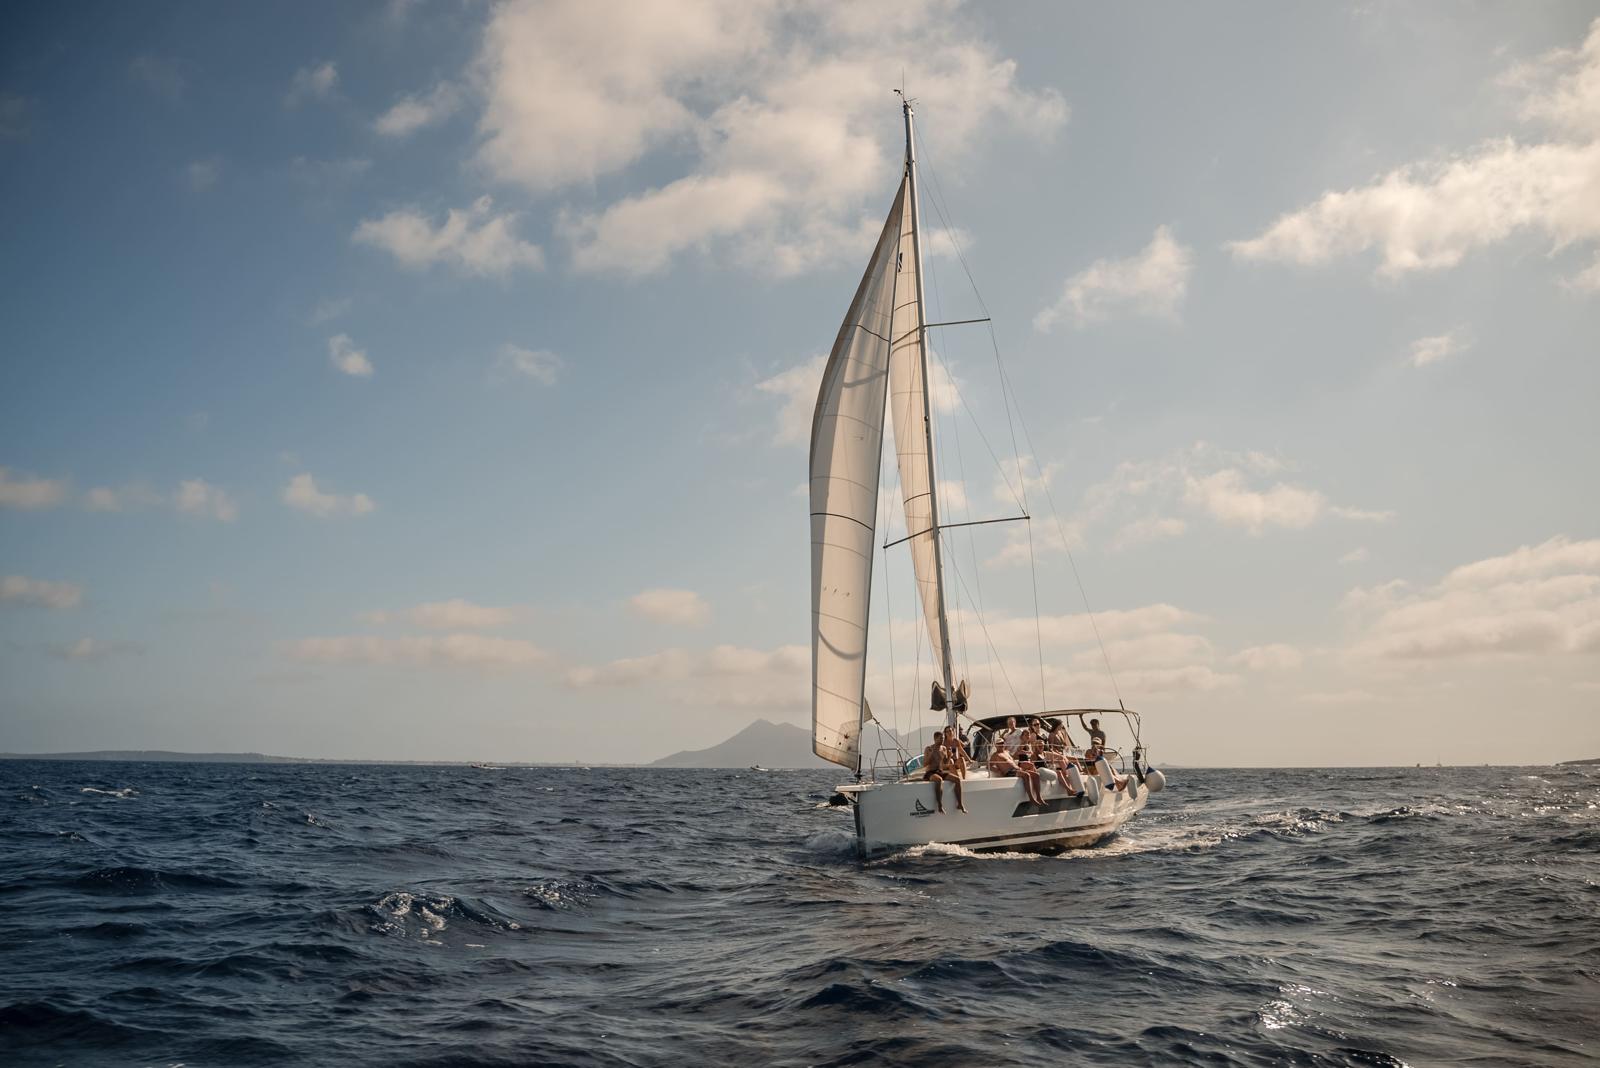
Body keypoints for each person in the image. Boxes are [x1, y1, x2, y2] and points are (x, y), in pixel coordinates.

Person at [988, 739, 1045, 806]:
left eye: (1002, 743)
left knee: (1036, 775)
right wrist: (998, 771)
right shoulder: (995, 755)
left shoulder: (1007, 752)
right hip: (1009, 772)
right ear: (996, 745)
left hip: (1017, 769)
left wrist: (1025, 753)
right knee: (1026, 775)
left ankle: (1038, 797)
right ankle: (1031, 798)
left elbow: (1014, 758)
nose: (1001, 745)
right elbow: (989, 766)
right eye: (999, 743)